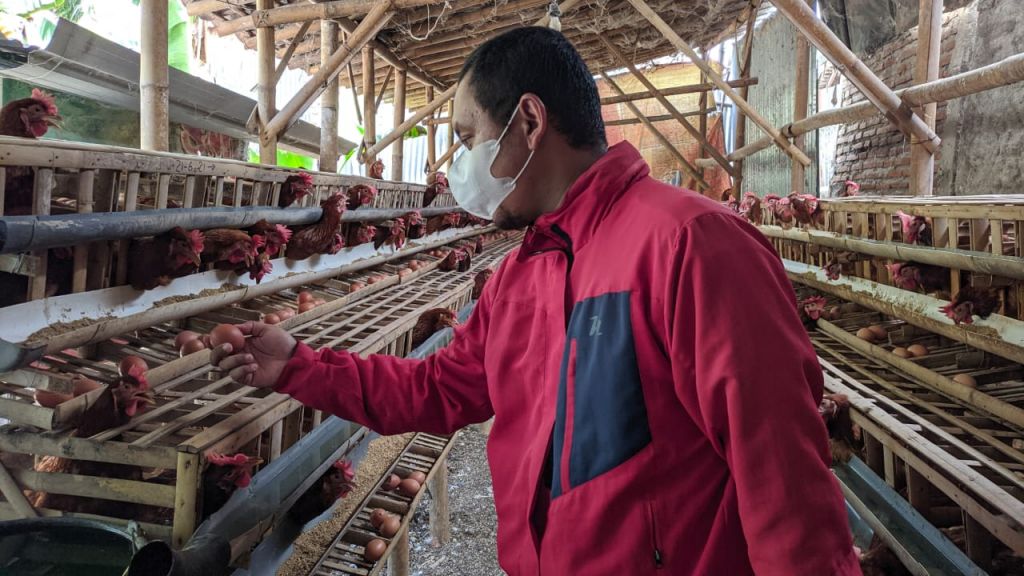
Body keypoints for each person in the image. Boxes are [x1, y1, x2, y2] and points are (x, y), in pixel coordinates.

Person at [212, 27, 861, 576]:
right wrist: (297, 366)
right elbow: (437, 389)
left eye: (469, 139)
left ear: (528, 121)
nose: (460, 166)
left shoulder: (691, 244)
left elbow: (787, 490)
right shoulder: (520, 278)